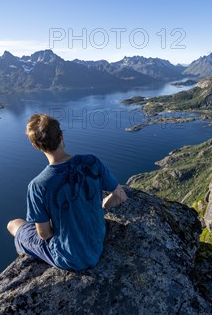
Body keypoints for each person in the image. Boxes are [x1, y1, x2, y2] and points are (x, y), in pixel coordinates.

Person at [7, 113, 127, 271]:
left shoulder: (38, 186)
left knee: (14, 224)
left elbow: (44, 234)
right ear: (61, 135)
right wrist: (103, 204)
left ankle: (24, 251)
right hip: (97, 244)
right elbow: (120, 196)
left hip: (70, 258)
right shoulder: (91, 161)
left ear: (35, 146)